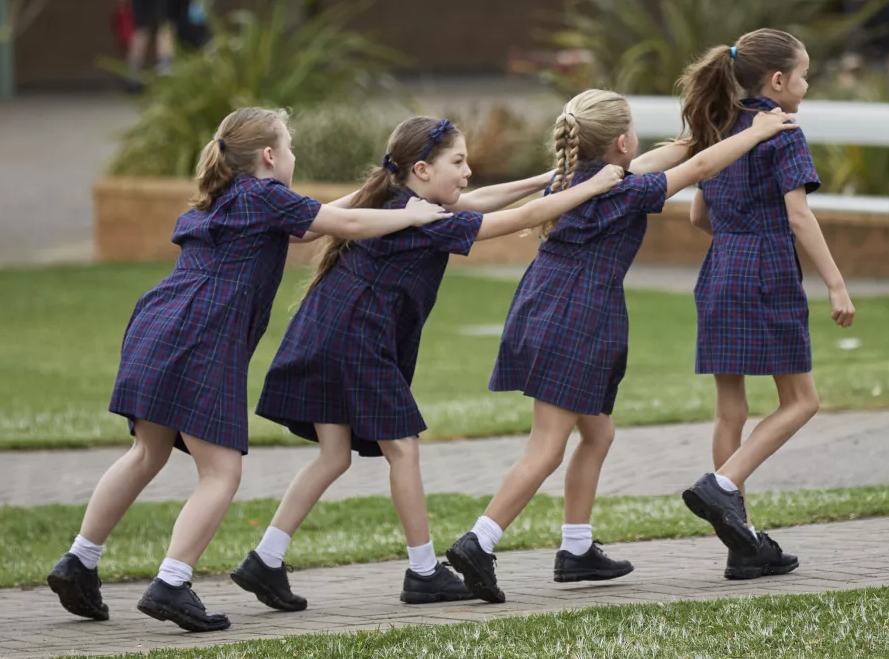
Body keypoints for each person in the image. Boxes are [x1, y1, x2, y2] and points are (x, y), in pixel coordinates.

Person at [44, 108, 451, 633]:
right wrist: (414, 214)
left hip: (157, 325)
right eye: (291, 146)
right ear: (269, 156)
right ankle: (171, 582)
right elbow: (344, 225)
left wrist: (385, 201)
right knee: (221, 472)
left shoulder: (230, 197)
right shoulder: (264, 197)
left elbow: (319, 220)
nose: (294, 155)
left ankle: (79, 560)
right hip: (202, 336)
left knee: (146, 452)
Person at [232, 118, 628, 609]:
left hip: (324, 332)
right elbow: (511, 221)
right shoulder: (421, 219)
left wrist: (546, 180)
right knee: (404, 449)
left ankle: (266, 560)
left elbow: (480, 202)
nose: (467, 173)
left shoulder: (401, 201)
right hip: (358, 340)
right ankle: (423, 573)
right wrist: (589, 186)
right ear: (421, 168)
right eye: (457, 162)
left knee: (334, 455)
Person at [440, 91, 799, 603]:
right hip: (576, 318)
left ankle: (577, 550)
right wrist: (755, 133)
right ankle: (480, 541)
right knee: (545, 448)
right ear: (622, 142)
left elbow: (674, 156)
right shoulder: (621, 191)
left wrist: (707, 131)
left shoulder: (581, 176)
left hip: (547, 305)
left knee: (598, 434)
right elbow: (696, 168)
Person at [677, 29, 856, 580]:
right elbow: (799, 216)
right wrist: (835, 282)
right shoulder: (779, 131)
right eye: (804, 75)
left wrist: (736, 238)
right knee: (802, 401)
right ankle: (723, 486)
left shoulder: (719, 128)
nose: (806, 85)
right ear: (778, 81)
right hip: (768, 271)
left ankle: (741, 543)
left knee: (731, 409)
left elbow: (697, 217)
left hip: (720, 271)